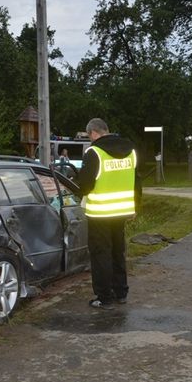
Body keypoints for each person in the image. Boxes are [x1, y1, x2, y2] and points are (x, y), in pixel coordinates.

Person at [76, 118, 141, 310]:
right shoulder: (130, 151)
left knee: (100, 253)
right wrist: (135, 206)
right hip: (122, 211)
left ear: (93, 133)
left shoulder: (94, 152)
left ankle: (104, 297)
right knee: (117, 250)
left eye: (90, 137)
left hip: (100, 212)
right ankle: (121, 292)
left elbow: (85, 185)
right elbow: (137, 182)